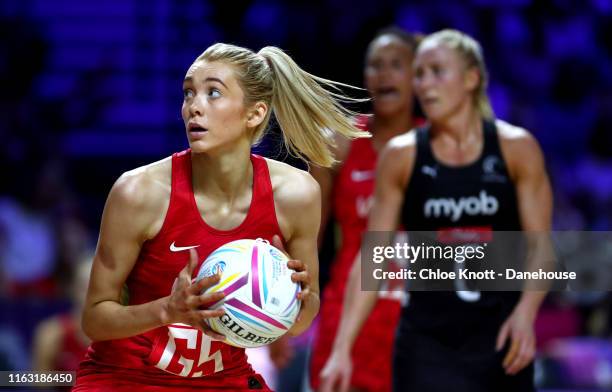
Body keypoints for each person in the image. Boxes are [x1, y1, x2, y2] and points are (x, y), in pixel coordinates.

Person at [73, 42, 368, 391]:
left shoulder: (296, 194)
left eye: (213, 93)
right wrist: (168, 309)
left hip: (224, 380)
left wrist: (293, 302)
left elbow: (303, 319)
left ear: (255, 114)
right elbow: (94, 319)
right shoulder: (139, 192)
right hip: (126, 378)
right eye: (188, 93)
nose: (194, 107)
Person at [320, 29, 552, 392]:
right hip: (425, 345)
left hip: (502, 339)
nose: (425, 84)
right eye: (420, 73)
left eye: (437, 71)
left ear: (471, 78)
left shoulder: (516, 148)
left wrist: (526, 313)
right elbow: (374, 256)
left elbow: (542, 249)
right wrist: (342, 347)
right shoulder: (401, 154)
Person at [308, 27, 421, 392]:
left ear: (418, 75)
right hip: (349, 313)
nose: (384, 74)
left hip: (419, 318)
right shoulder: (339, 142)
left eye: (396, 65)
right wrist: (285, 320)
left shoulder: (442, 145)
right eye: (375, 66)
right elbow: (307, 239)